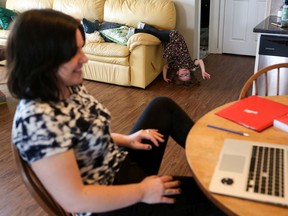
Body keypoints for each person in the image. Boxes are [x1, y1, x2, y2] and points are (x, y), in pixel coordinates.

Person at [7, 9, 223, 216]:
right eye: (74, 52)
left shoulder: (65, 84)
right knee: (212, 199)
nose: (85, 58)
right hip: (106, 204)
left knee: (162, 106)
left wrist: (126, 140)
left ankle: (219, 161)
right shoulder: (36, 121)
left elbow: (81, 133)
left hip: (117, 164)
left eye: (82, 48)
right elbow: (75, 199)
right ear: (43, 60)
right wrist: (143, 191)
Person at [82, 19, 211, 86]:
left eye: (183, 75)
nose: (185, 73)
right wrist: (203, 71)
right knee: (156, 34)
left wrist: (165, 77)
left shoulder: (174, 67)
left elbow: (165, 66)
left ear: (178, 74)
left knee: (155, 33)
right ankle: (138, 29)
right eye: (187, 74)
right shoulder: (190, 65)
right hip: (175, 37)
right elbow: (199, 61)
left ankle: (142, 26)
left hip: (167, 43)